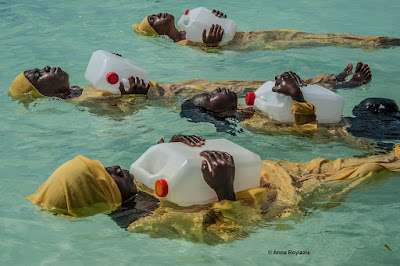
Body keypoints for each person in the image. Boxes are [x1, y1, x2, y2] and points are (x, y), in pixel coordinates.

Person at [27, 133, 400, 244]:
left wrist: (179, 145)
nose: (113, 166)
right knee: (373, 169)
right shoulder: (146, 222)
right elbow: (231, 234)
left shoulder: (134, 184)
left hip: (271, 173)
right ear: (102, 196)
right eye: (103, 174)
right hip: (285, 199)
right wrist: (223, 191)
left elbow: (179, 175)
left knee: (371, 160)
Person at [180, 62, 372, 135]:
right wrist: (296, 96)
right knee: (373, 107)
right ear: (214, 112)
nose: (217, 89)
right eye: (210, 96)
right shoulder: (251, 124)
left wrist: (295, 86)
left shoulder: (251, 107)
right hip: (347, 135)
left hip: (338, 122)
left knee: (369, 107)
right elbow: (304, 133)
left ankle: (342, 83)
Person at [133, 11, 400, 51]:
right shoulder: (183, 44)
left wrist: (221, 18)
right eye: (153, 20)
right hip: (249, 47)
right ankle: (378, 43)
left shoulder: (187, 25)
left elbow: (226, 27)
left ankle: (378, 41)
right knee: (317, 43)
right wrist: (211, 46)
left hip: (251, 35)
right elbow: (214, 58)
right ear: (156, 32)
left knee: (319, 37)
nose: (158, 15)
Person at [8, 66, 150, 100]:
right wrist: (134, 97)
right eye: (39, 75)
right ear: (43, 93)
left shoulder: (74, 89)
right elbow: (118, 117)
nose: (46, 68)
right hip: (158, 98)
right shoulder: (81, 102)